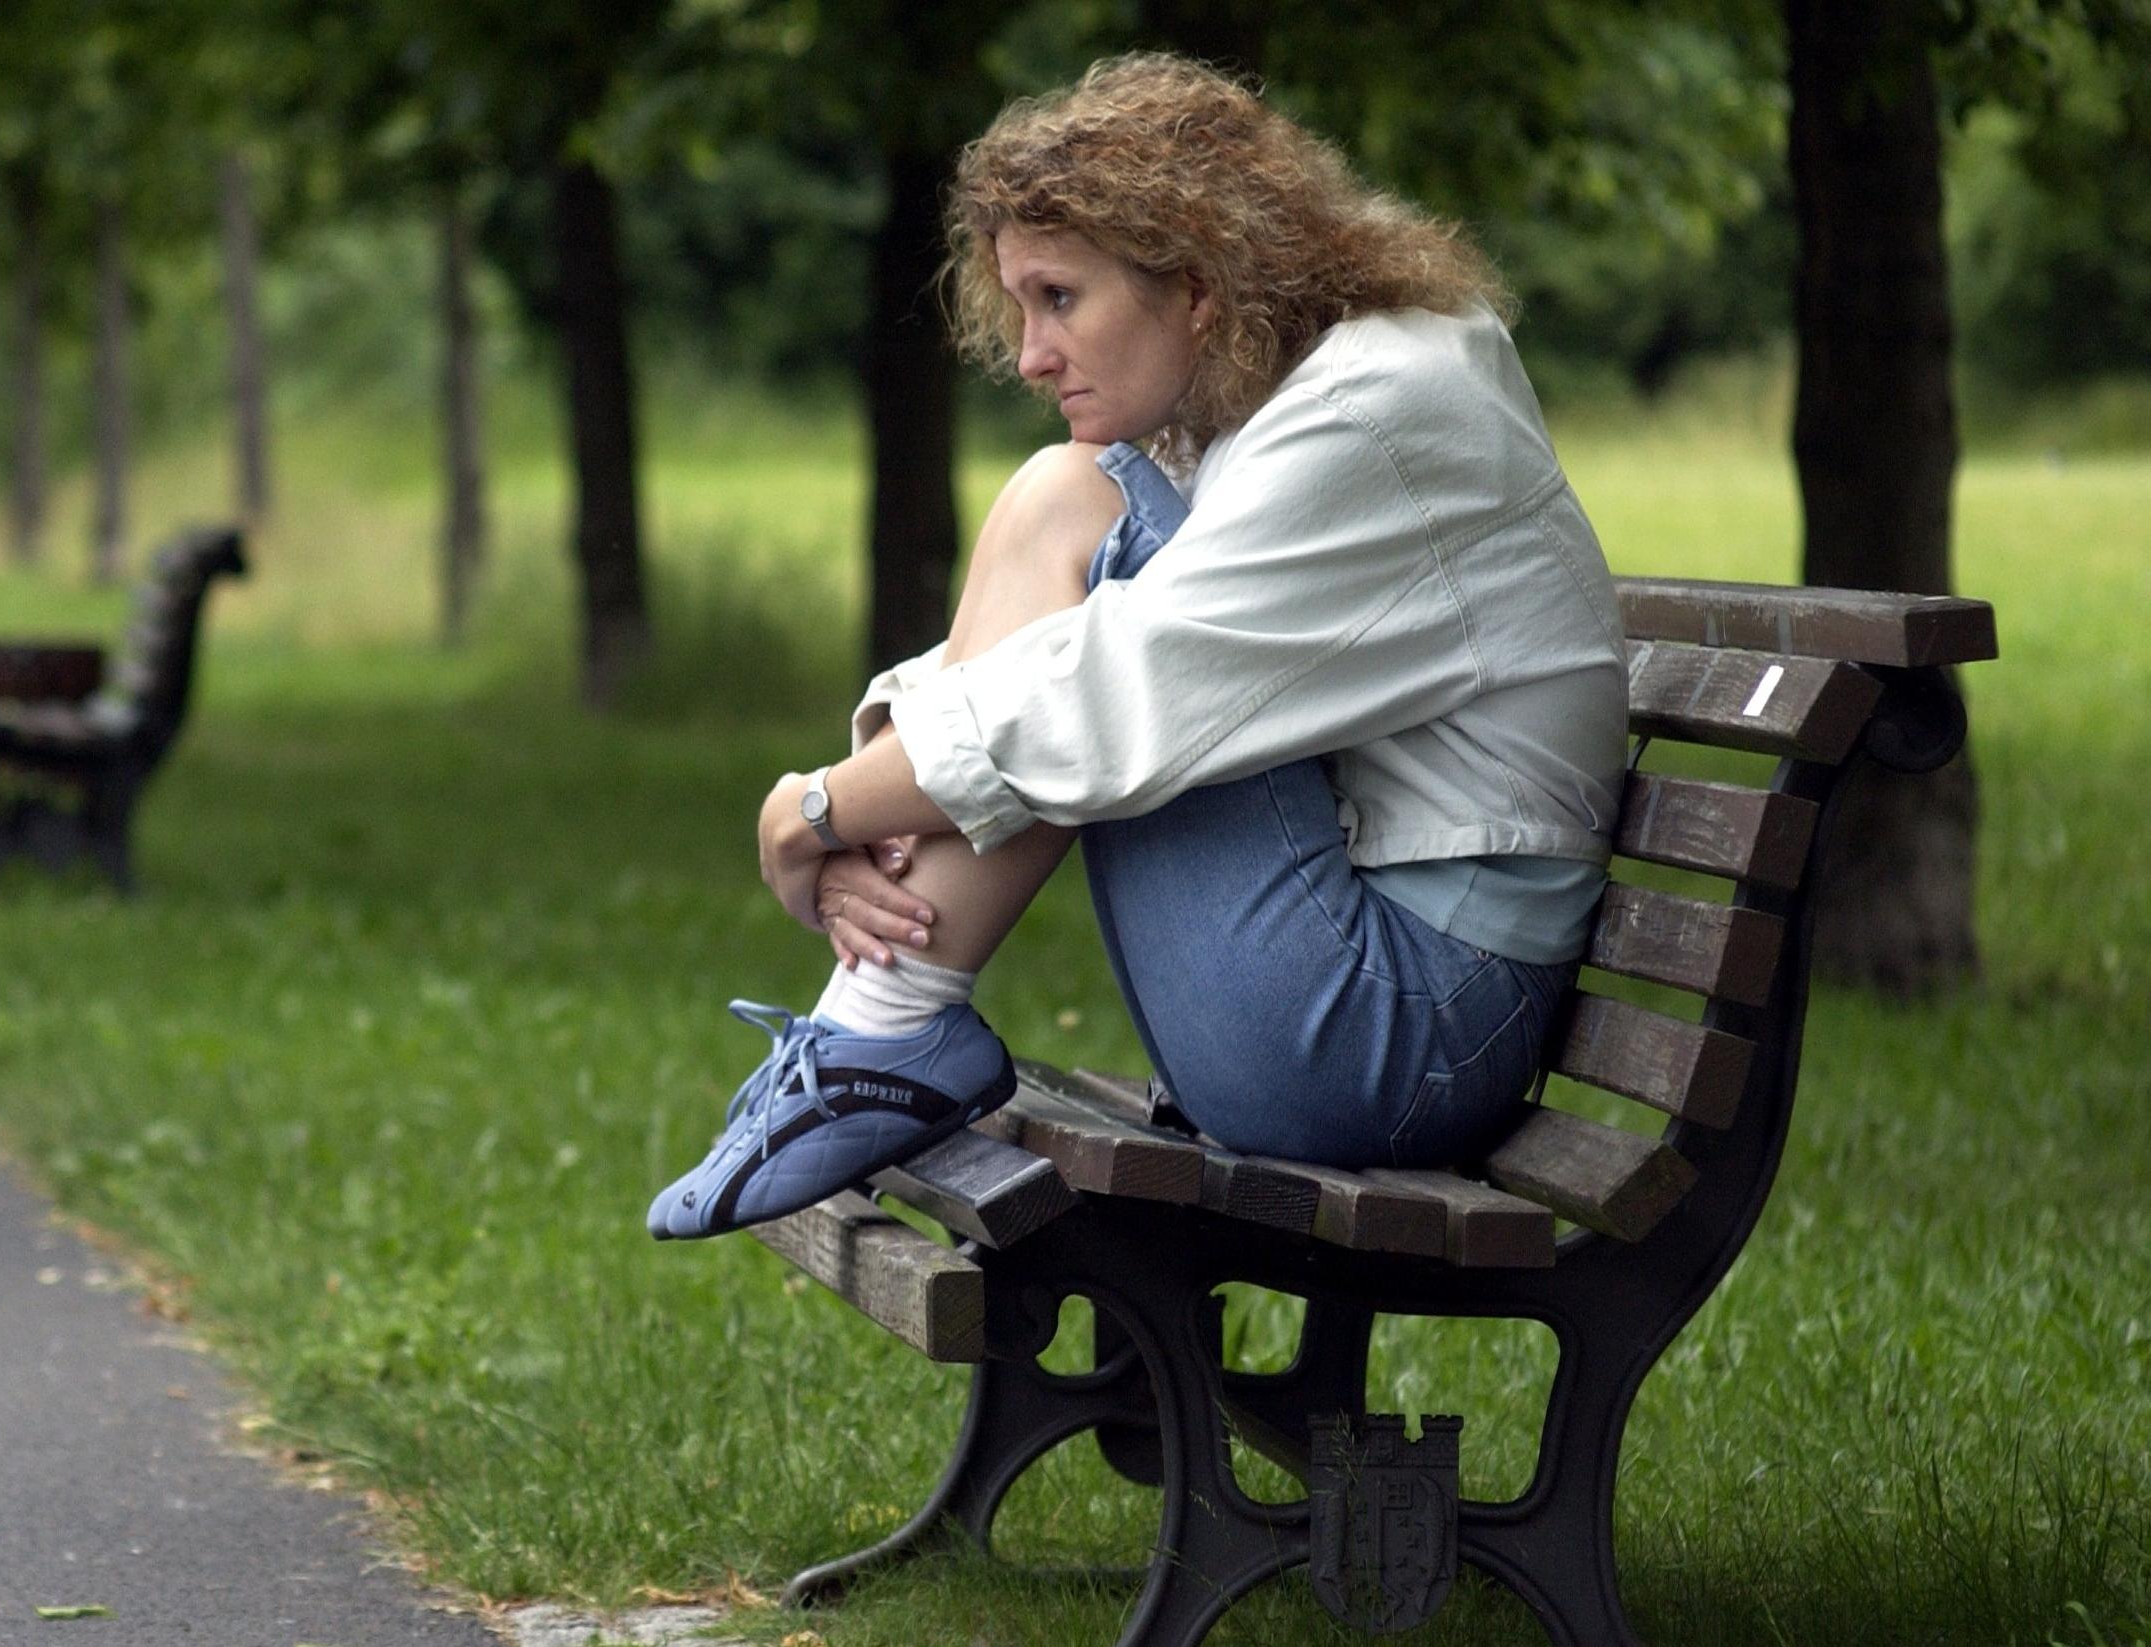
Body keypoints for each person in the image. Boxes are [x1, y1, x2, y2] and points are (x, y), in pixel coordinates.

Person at [649, 53, 1627, 1241]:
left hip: (1399, 1033)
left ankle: (881, 1036)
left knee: (1075, 513)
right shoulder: (1269, 394)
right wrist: (871, 792)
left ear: (1199, 281)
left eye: (1060, 299)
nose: (1028, 354)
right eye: (1018, 308)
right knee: (1069, 503)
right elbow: (1075, 675)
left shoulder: (1382, 403)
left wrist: (815, 810)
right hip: (1369, 994)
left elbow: (1117, 694)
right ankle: (879, 1031)